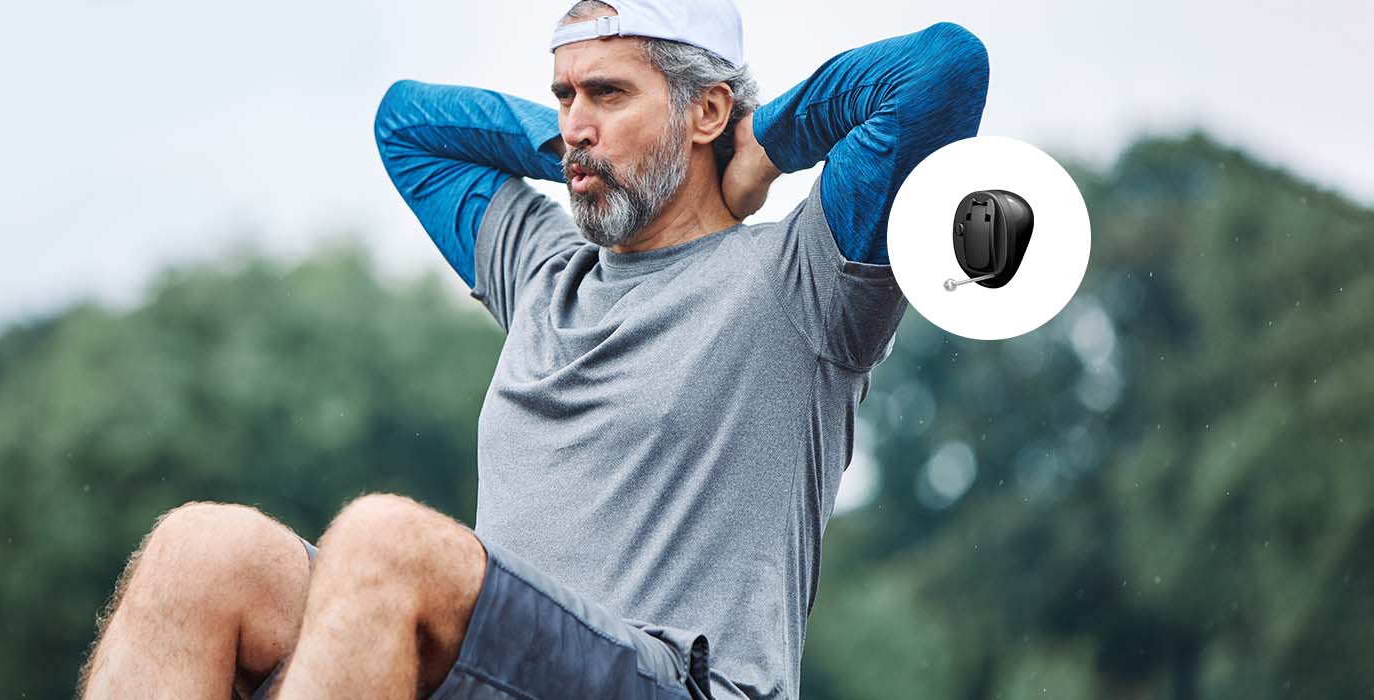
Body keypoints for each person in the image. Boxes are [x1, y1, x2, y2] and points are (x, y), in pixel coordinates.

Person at [77, 1, 988, 697]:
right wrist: (580, 145)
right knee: (204, 548)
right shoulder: (544, 265)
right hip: (499, 668)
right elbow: (406, 125)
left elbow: (941, 71)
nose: (575, 124)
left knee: (385, 541)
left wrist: (760, 143)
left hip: (674, 680)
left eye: (609, 94)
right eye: (566, 96)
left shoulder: (807, 280)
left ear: (706, 109)